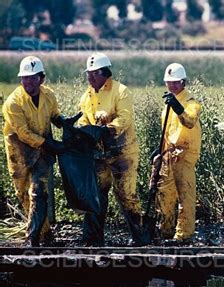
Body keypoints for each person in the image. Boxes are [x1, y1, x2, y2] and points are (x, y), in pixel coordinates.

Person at [77, 52, 144, 246]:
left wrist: (107, 130)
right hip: (100, 155)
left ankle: (139, 239)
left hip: (123, 152)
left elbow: (124, 117)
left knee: (126, 194)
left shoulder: (121, 91)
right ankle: (94, 239)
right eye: (88, 74)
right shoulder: (87, 96)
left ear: (104, 73)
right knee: (97, 194)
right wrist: (81, 130)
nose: (90, 78)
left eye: (93, 74)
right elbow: (84, 118)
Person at [2, 56, 70, 247]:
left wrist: (63, 121)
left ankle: (32, 239)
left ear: (42, 78)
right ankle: (45, 234)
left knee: (38, 192)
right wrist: (50, 144)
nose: (28, 82)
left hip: (42, 152)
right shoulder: (13, 103)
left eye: (33, 78)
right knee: (23, 194)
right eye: (25, 78)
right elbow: (23, 133)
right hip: (20, 153)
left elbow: (54, 114)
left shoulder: (48, 95)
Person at [152, 63, 202, 243]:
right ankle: (165, 231)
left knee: (185, 196)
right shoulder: (167, 104)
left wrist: (177, 107)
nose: (171, 86)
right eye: (168, 83)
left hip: (185, 155)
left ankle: (183, 235)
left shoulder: (192, 103)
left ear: (183, 82)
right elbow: (168, 131)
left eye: (175, 83)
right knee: (164, 196)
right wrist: (160, 149)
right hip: (169, 154)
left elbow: (189, 121)